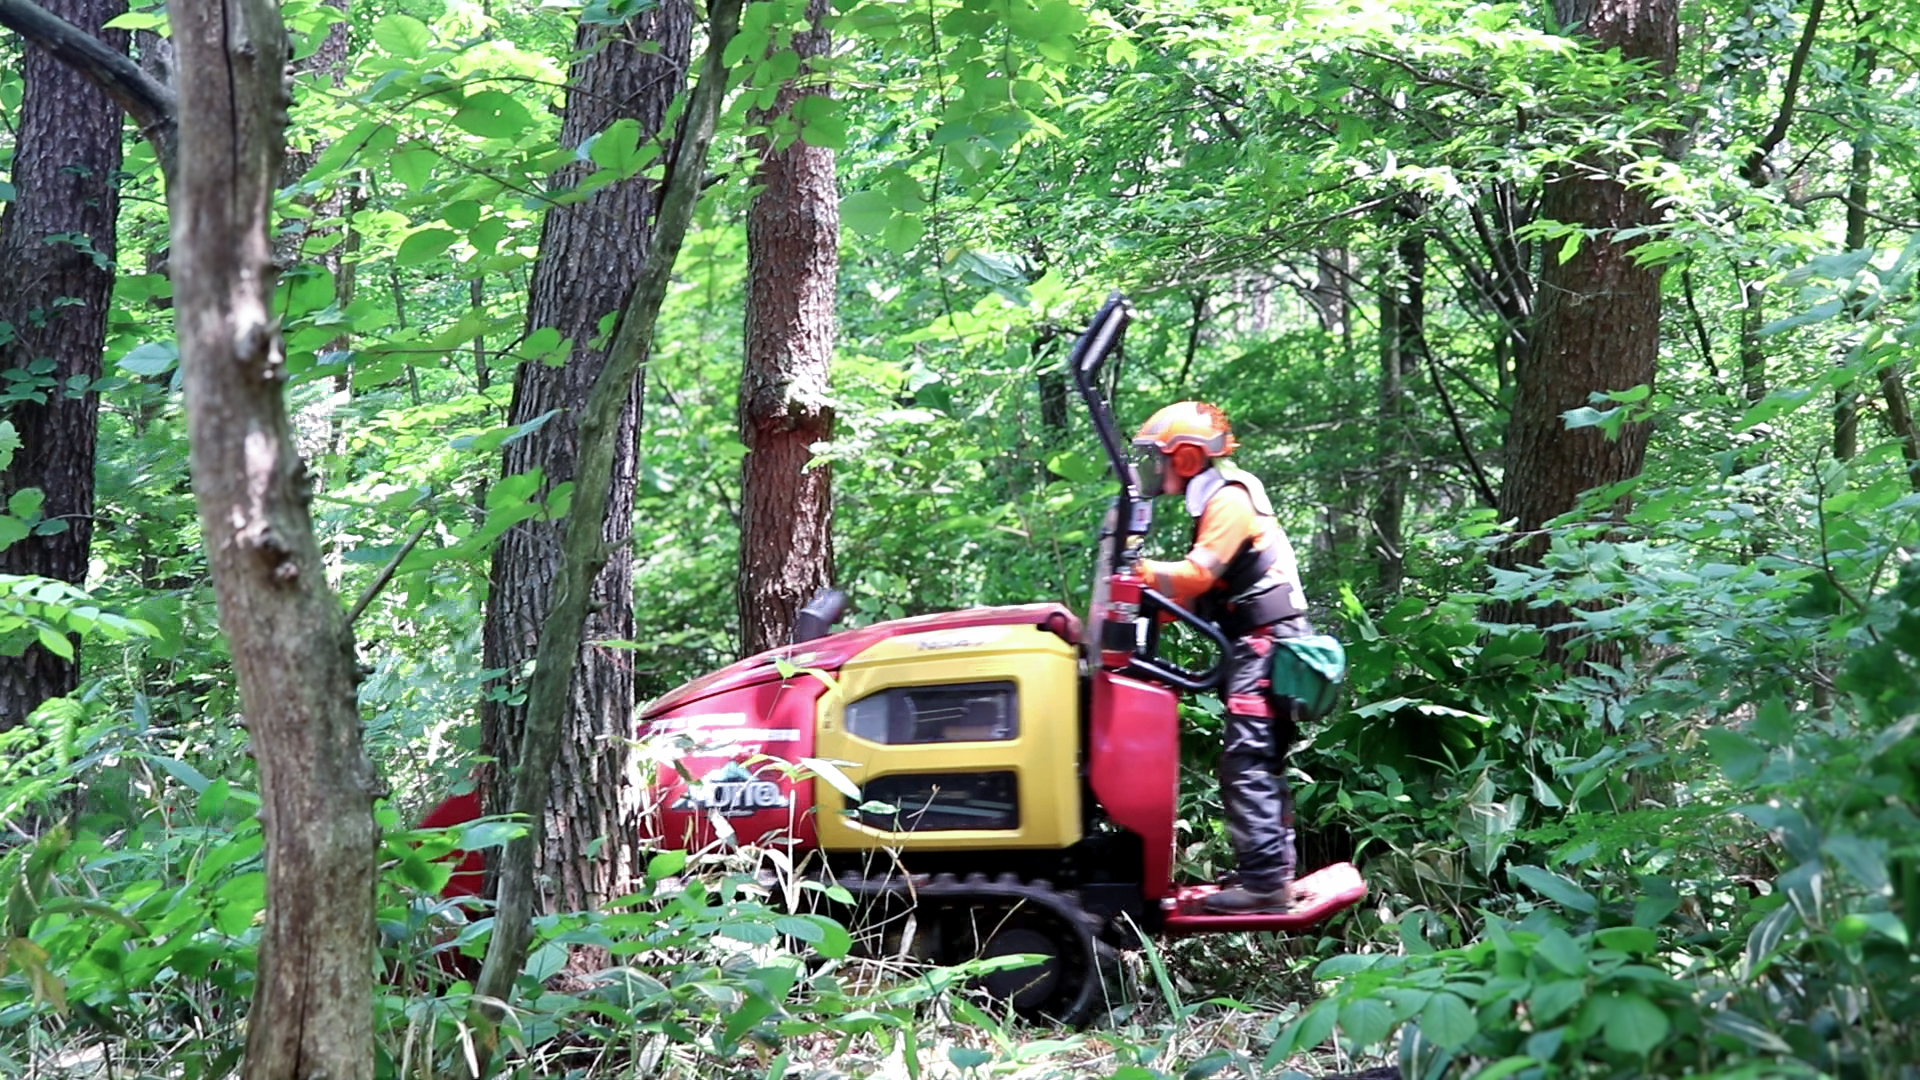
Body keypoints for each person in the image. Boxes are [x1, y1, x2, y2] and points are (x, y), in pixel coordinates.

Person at [1132, 401, 1314, 914]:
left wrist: (1135, 570)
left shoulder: (1231, 499)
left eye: (1158, 457)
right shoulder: (1215, 501)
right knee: (1258, 759)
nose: (1154, 468)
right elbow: (1186, 597)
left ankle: (1264, 885)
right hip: (1259, 642)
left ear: (1187, 458)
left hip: (1265, 643)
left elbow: (1196, 576)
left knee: (1247, 760)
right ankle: (1271, 872)